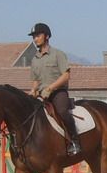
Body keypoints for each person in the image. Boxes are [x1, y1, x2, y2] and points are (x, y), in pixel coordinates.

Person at [28, 22, 80, 156]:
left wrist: (50, 88)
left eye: (37, 35)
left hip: (58, 92)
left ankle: (74, 141)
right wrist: (33, 90)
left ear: (46, 36)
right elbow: (35, 80)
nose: (35, 39)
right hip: (41, 94)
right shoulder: (34, 59)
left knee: (62, 112)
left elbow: (66, 75)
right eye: (33, 36)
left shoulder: (58, 54)